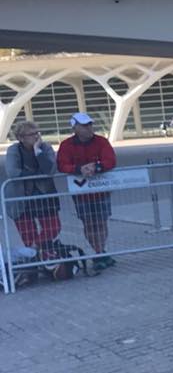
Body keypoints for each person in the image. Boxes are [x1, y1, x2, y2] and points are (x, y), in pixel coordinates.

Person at [56, 112, 117, 271]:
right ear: (75, 127)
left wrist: (96, 167)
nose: (88, 128)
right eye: (84, 125)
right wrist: (78, 169)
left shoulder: (101, 141)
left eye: (89, 124)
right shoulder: (66, 145)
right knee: (89, 223)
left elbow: (110, 160)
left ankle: (100, 252)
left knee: (101, 221)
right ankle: (99, 252)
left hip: (101, 190)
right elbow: (62, 165)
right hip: (81, 192)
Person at [4, 121, 60, 253]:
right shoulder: (14, 150)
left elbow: (50, 170)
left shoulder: (45, 148)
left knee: (53, 227)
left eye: (37, 133)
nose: (36, 137)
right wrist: (37, 174)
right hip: (20, 198)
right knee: (27, 232)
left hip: (44, 195)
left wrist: (37, 151)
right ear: (21, 138)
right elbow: (12, 172)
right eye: (31, 134)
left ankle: (36, 249)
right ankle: (37, 258)